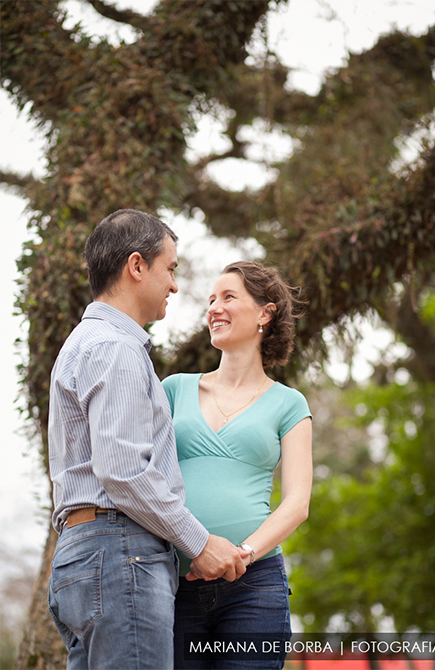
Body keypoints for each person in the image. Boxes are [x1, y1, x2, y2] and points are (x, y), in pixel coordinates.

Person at [48, 209, 250, 670]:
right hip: (122, 554)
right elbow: (122, 470)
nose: (175, 286)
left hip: (84, 557)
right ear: (137, 267)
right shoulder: (115, 348)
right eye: (171, 268)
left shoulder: (82, 344)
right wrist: (198, 543)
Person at [163, 261, 313, 669]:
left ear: (265, 312)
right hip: (172, 584)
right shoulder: (173, 388)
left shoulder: (289, 404)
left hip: (255, 586)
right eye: (211, 300)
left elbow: (297, 504)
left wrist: (241, 555)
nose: (214, 307)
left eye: (229, 297)